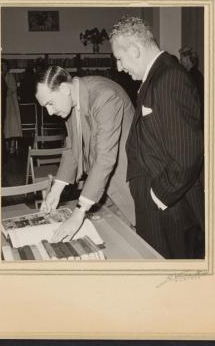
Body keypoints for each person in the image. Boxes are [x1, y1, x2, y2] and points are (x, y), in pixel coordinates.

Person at [110, 16, 204, 259]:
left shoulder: (169, 78)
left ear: (134, 49)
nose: (119, 67)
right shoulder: (155, 77)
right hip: (157, 201)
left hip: (168, 206)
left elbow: (187, 154)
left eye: (119, 59)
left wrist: (158, 196)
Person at [35, 66, 135, 242]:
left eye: (50, 103)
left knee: (131, 247)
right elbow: (73, 147)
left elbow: (105, 157)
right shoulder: (72, 99)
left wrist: (79, 211)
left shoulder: (104, 95)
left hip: (126, 187)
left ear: (65, 89)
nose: (50, 112)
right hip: (100, 189)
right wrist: (55, 191)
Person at [179, 46, 204, 125]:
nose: (180, 61)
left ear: (187, 59)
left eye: (181, 58)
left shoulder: (189, 76)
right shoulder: (198, 74)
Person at [3, 66, 23, 154]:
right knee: (4, 128)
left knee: (12, 128)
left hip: (10, 105)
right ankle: (5, 147)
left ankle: (12, 147)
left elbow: (11, 90)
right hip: (2, 105)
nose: (2, 68)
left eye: (4, 66)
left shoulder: (10, 76)